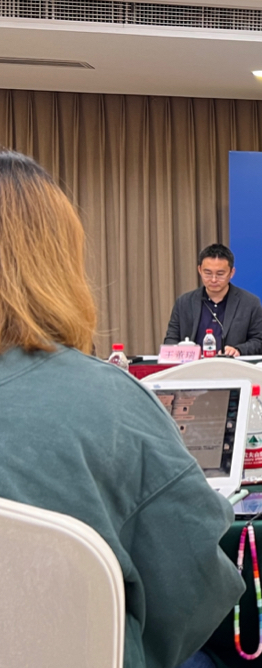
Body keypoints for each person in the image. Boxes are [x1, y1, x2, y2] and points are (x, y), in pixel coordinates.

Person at [0, 150, 243, 668]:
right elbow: (196, 587)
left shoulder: (247, 303)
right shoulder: (104, 402)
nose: (213, 278)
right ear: (58, 258)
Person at [164, 243, 262, 357]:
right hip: (193, 369)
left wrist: (239, 350)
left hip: (232, 369)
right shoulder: (184, 302)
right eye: (208, 273)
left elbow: (260, 342)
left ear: (231, 273)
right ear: (199, 270)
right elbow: (171, 340)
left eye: (220, 274)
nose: (213, 280)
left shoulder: (250, 303)